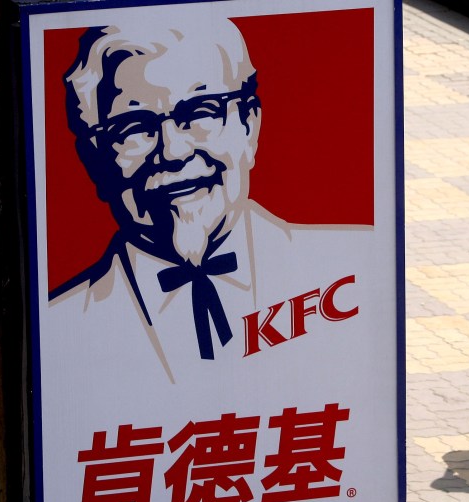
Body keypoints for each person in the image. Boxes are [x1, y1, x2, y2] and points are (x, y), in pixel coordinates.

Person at [50, 19, 369, 384]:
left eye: (200, 112)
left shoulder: (356, 268)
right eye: (134, 127)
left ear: (249, 127)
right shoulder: (59, 326)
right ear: (94, 159)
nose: (174, 151)